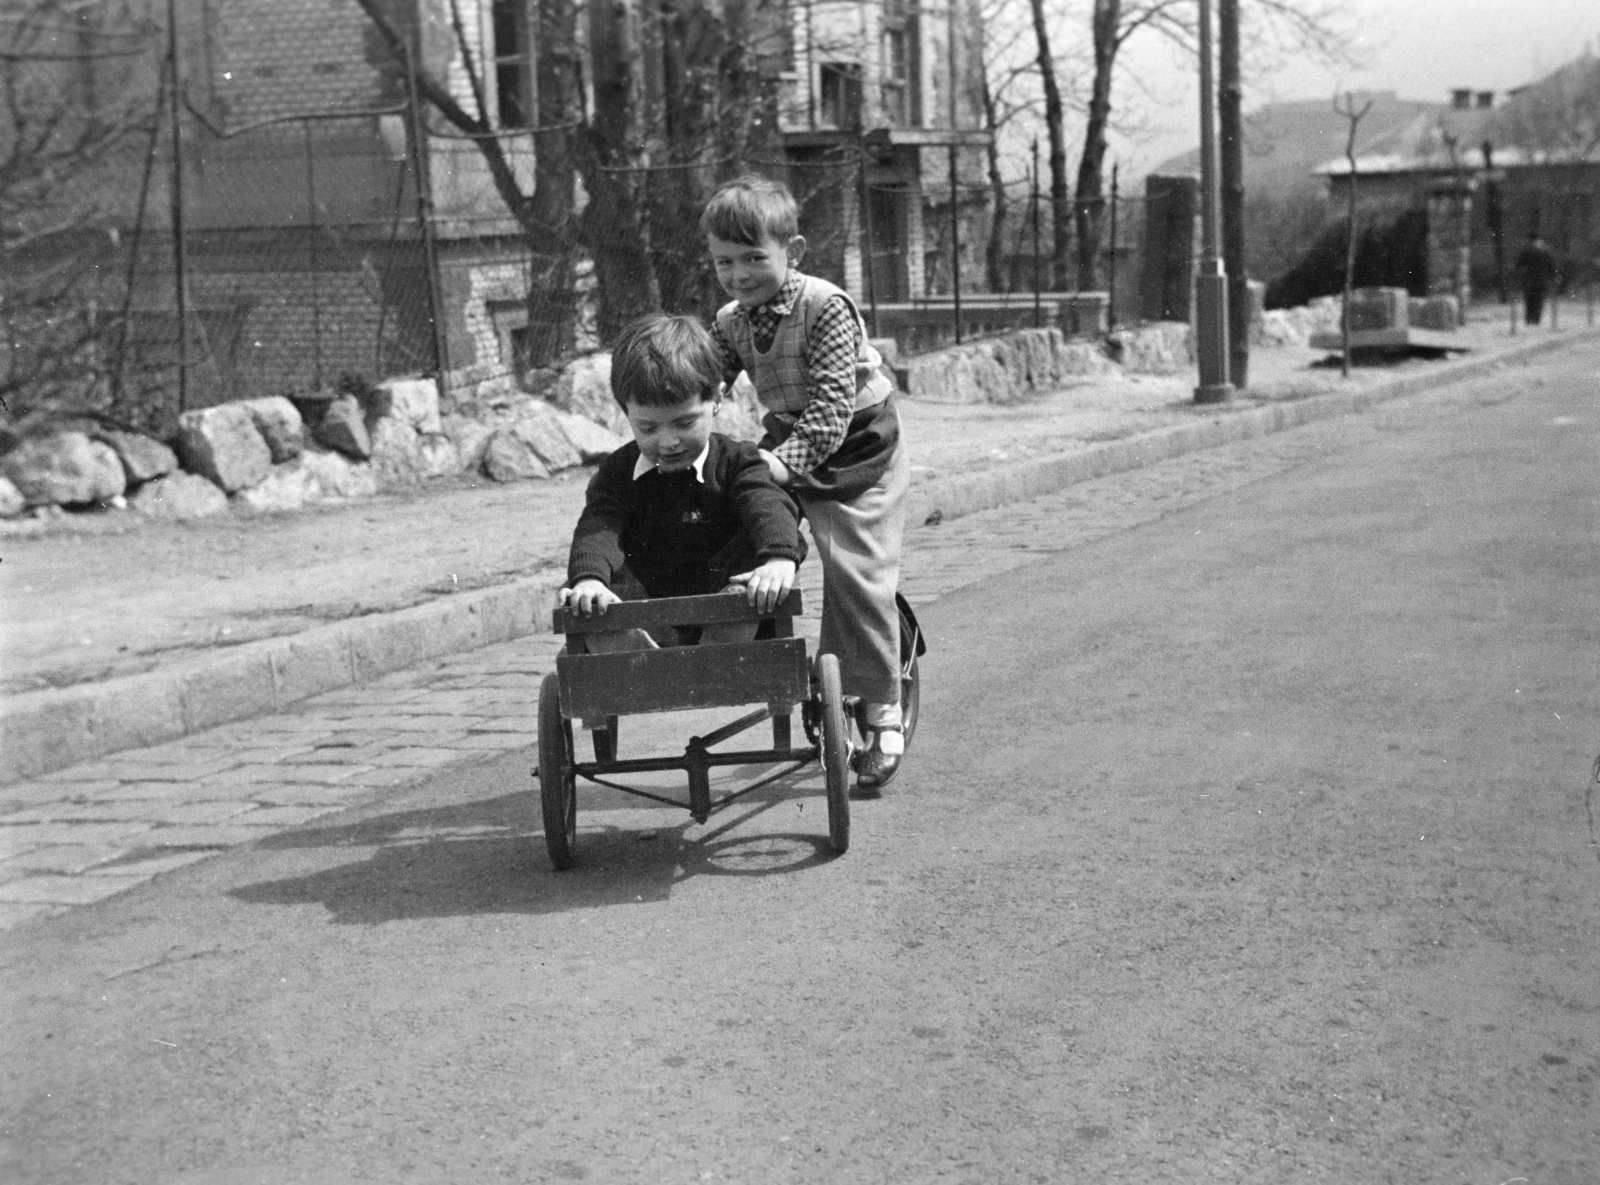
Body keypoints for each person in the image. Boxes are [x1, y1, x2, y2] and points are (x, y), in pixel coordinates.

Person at [702, 175, 910, 791]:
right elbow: (703, 380)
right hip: (794, 438)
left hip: (858, 442)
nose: (739, 274)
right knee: (738, 522)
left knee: (854, 571)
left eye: (753, 258)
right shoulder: (732, 319)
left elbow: (828, 409)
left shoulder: (826, 306)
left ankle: (883, 707)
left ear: (792, 252)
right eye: (724, 262)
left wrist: (776, 466)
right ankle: (765, 665)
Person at [561, 313, 806, 672]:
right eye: (647, 427)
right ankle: (631, 644)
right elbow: (599, 525)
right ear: (625, 412)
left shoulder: (738, 461)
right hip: (648, 611)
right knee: (601, 580)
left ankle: (718, 641)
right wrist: (589, 579)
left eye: (684, 422)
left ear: (717, 399)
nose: (668, 442)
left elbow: (766, 504)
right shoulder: (617, 473)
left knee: (753, 551)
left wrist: (779, 559)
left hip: (727, 599)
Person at [1515, 232, 1558, 326]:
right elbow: (1551, 265)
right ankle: (1536, 319)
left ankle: (1529, 319)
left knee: (1529, 300)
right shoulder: (1544, 251)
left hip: (1528, 280)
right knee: (1538, 300)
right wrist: (1553, 276)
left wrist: (1520, 274)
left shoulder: (1526, 250)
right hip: (1541, 280)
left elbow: (1519, 265)